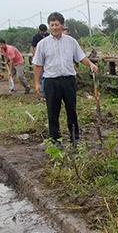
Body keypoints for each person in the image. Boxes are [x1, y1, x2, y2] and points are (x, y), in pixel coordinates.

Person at [32, 12, 98, 147]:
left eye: (57, 25)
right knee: (52, 111)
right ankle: (55, 140)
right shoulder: (42, 44)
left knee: (71, 110)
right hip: (51, 81)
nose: (54, 27)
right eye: (52, 25)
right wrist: (37, 83)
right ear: (49, 26)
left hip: (68, 80)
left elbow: (80, 57)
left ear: (62, 25)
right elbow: (38, 64)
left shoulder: (71, 42)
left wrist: (91, 64)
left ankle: (75, 138)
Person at [30, 24, 49, 99]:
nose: (43, 33)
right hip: (39, 58)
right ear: (39, 30)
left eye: (44, 32)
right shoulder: (36, 37)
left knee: (46, 75)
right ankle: (43, 92)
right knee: (41, 75)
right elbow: (33, 47)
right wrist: (35, 57)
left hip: (47, 57)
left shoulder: (48, 35)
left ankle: (45, 91)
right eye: (42, 32)